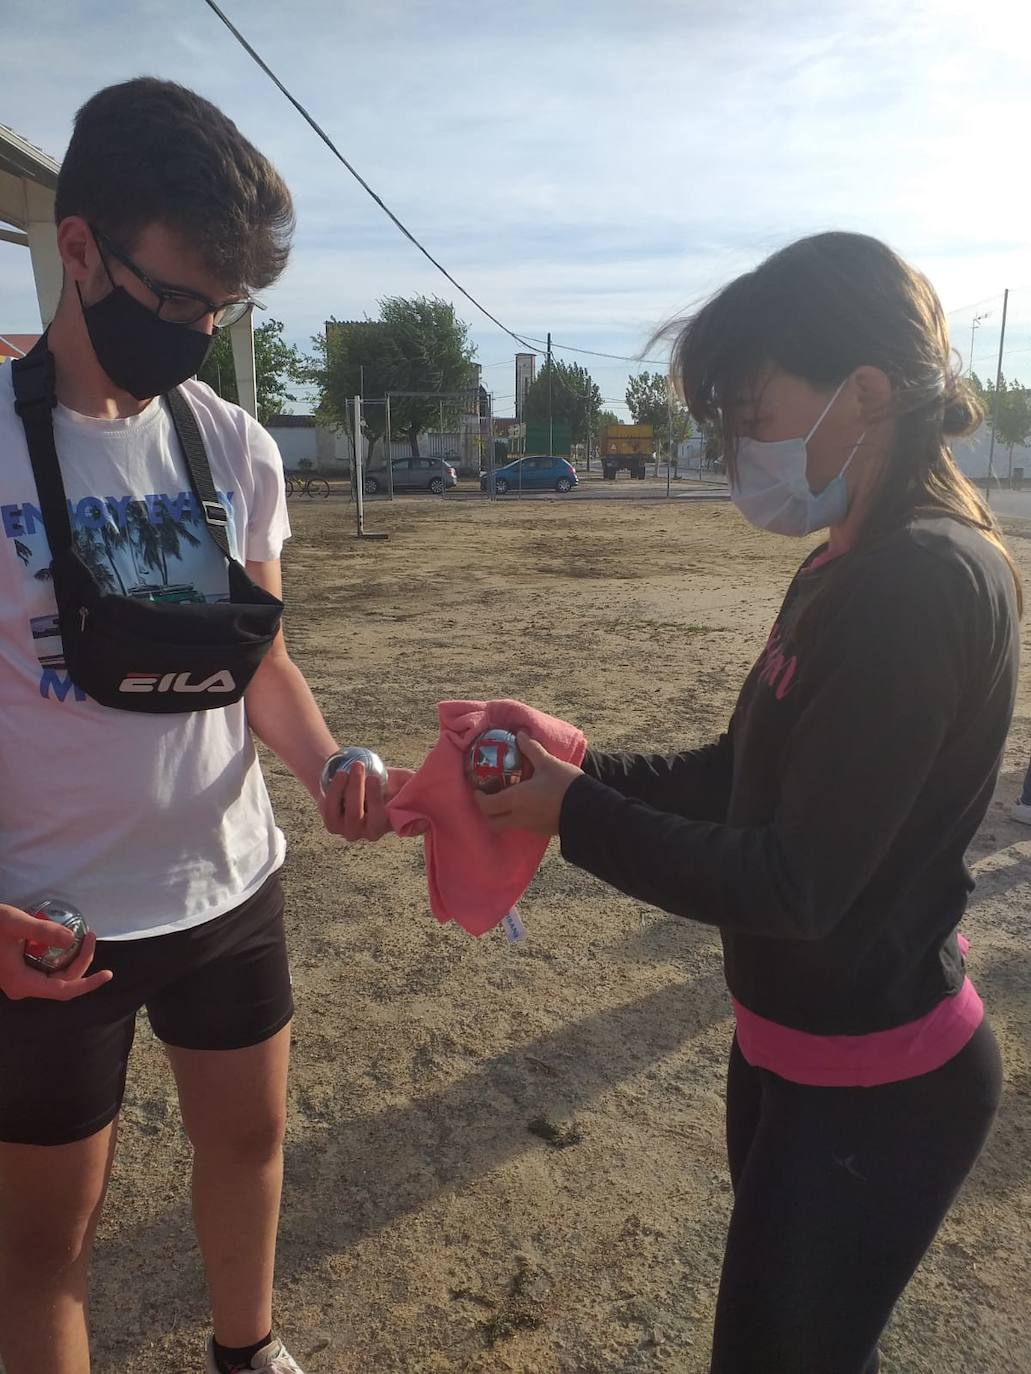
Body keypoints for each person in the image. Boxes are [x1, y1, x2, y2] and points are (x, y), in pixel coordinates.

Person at [476, 232, 1019, 1374]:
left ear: (863, 394)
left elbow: (797, 884)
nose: (735, 450)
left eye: (751, 413)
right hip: (793, 1056)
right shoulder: (843, 562)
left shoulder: (918, 582)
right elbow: (739, 773)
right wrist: (572, 762)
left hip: (875, 1088)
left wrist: (573, 814)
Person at [0, 79, 404, 1374]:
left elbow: (260, 658)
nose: (199, 332)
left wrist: (329, 762)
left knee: (248, 1142)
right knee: (44, 1243)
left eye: (223, 309)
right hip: (48, 924)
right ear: (77, 249)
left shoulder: (235, 447)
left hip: (228, 886)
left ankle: (249, 1350)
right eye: (177, 301)